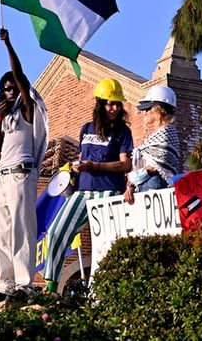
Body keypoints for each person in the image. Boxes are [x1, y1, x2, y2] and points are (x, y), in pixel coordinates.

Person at [0, 28, 49, 307]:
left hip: (21, 173)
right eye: (5, 89)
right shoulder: (5, 118)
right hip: (3, 175)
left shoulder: (28, 111)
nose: (10, 92)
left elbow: (20, 77)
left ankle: (24, 283)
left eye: (13, 88)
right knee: (2, 233)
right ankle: (5, 283)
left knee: (21, 228)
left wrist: (9, 45)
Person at [42, 78, 134, 293]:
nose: (114, 108)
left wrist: (95, 166)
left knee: (108, 243)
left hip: (110, 191)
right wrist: (78, 167)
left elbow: (125, 164)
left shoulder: (123, 131)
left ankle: (113, 291)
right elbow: (83, 157)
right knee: (56, 232)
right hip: (83, 191)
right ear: (100, 104)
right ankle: (51, 286)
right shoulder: (86, 129)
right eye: (110, 104)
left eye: (117, 104)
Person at [125, 86, 181, 204]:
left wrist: (135, 176)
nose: (144, 112)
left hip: (156, 186)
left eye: (148, 108)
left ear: (158, 110)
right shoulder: (151, 137)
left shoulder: (167, 132)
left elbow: (157, 164)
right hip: (143, 187)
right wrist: (131, 185)